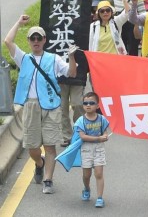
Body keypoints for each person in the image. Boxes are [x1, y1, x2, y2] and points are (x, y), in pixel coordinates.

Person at [3, 16, 77, 194]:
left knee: (50, 146)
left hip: (51, 106)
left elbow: (72, 73)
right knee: (32, 147)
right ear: (29, 41)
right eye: (32, 38)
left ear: (44, 40)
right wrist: (19, 23)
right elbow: (7, 41)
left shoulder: (54, 59)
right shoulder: (24, 58)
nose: (36, 41)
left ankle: (48, 180)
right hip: (31, 107)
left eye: (39, 38)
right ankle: (39, 163)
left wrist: (72, 57)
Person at [74, 92, 110, 208]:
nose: (88, 105)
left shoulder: (102, 119)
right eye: (85, 103)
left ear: (97, 105)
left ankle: (100, 198)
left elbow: (105, 131)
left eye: (91, 103)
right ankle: (86, 188)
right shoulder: (80, 120)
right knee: (86, 174)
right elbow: (83, 136)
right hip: (86, 149)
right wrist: (99, 138)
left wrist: (105, 136)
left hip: (99, 149)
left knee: (99, 173)